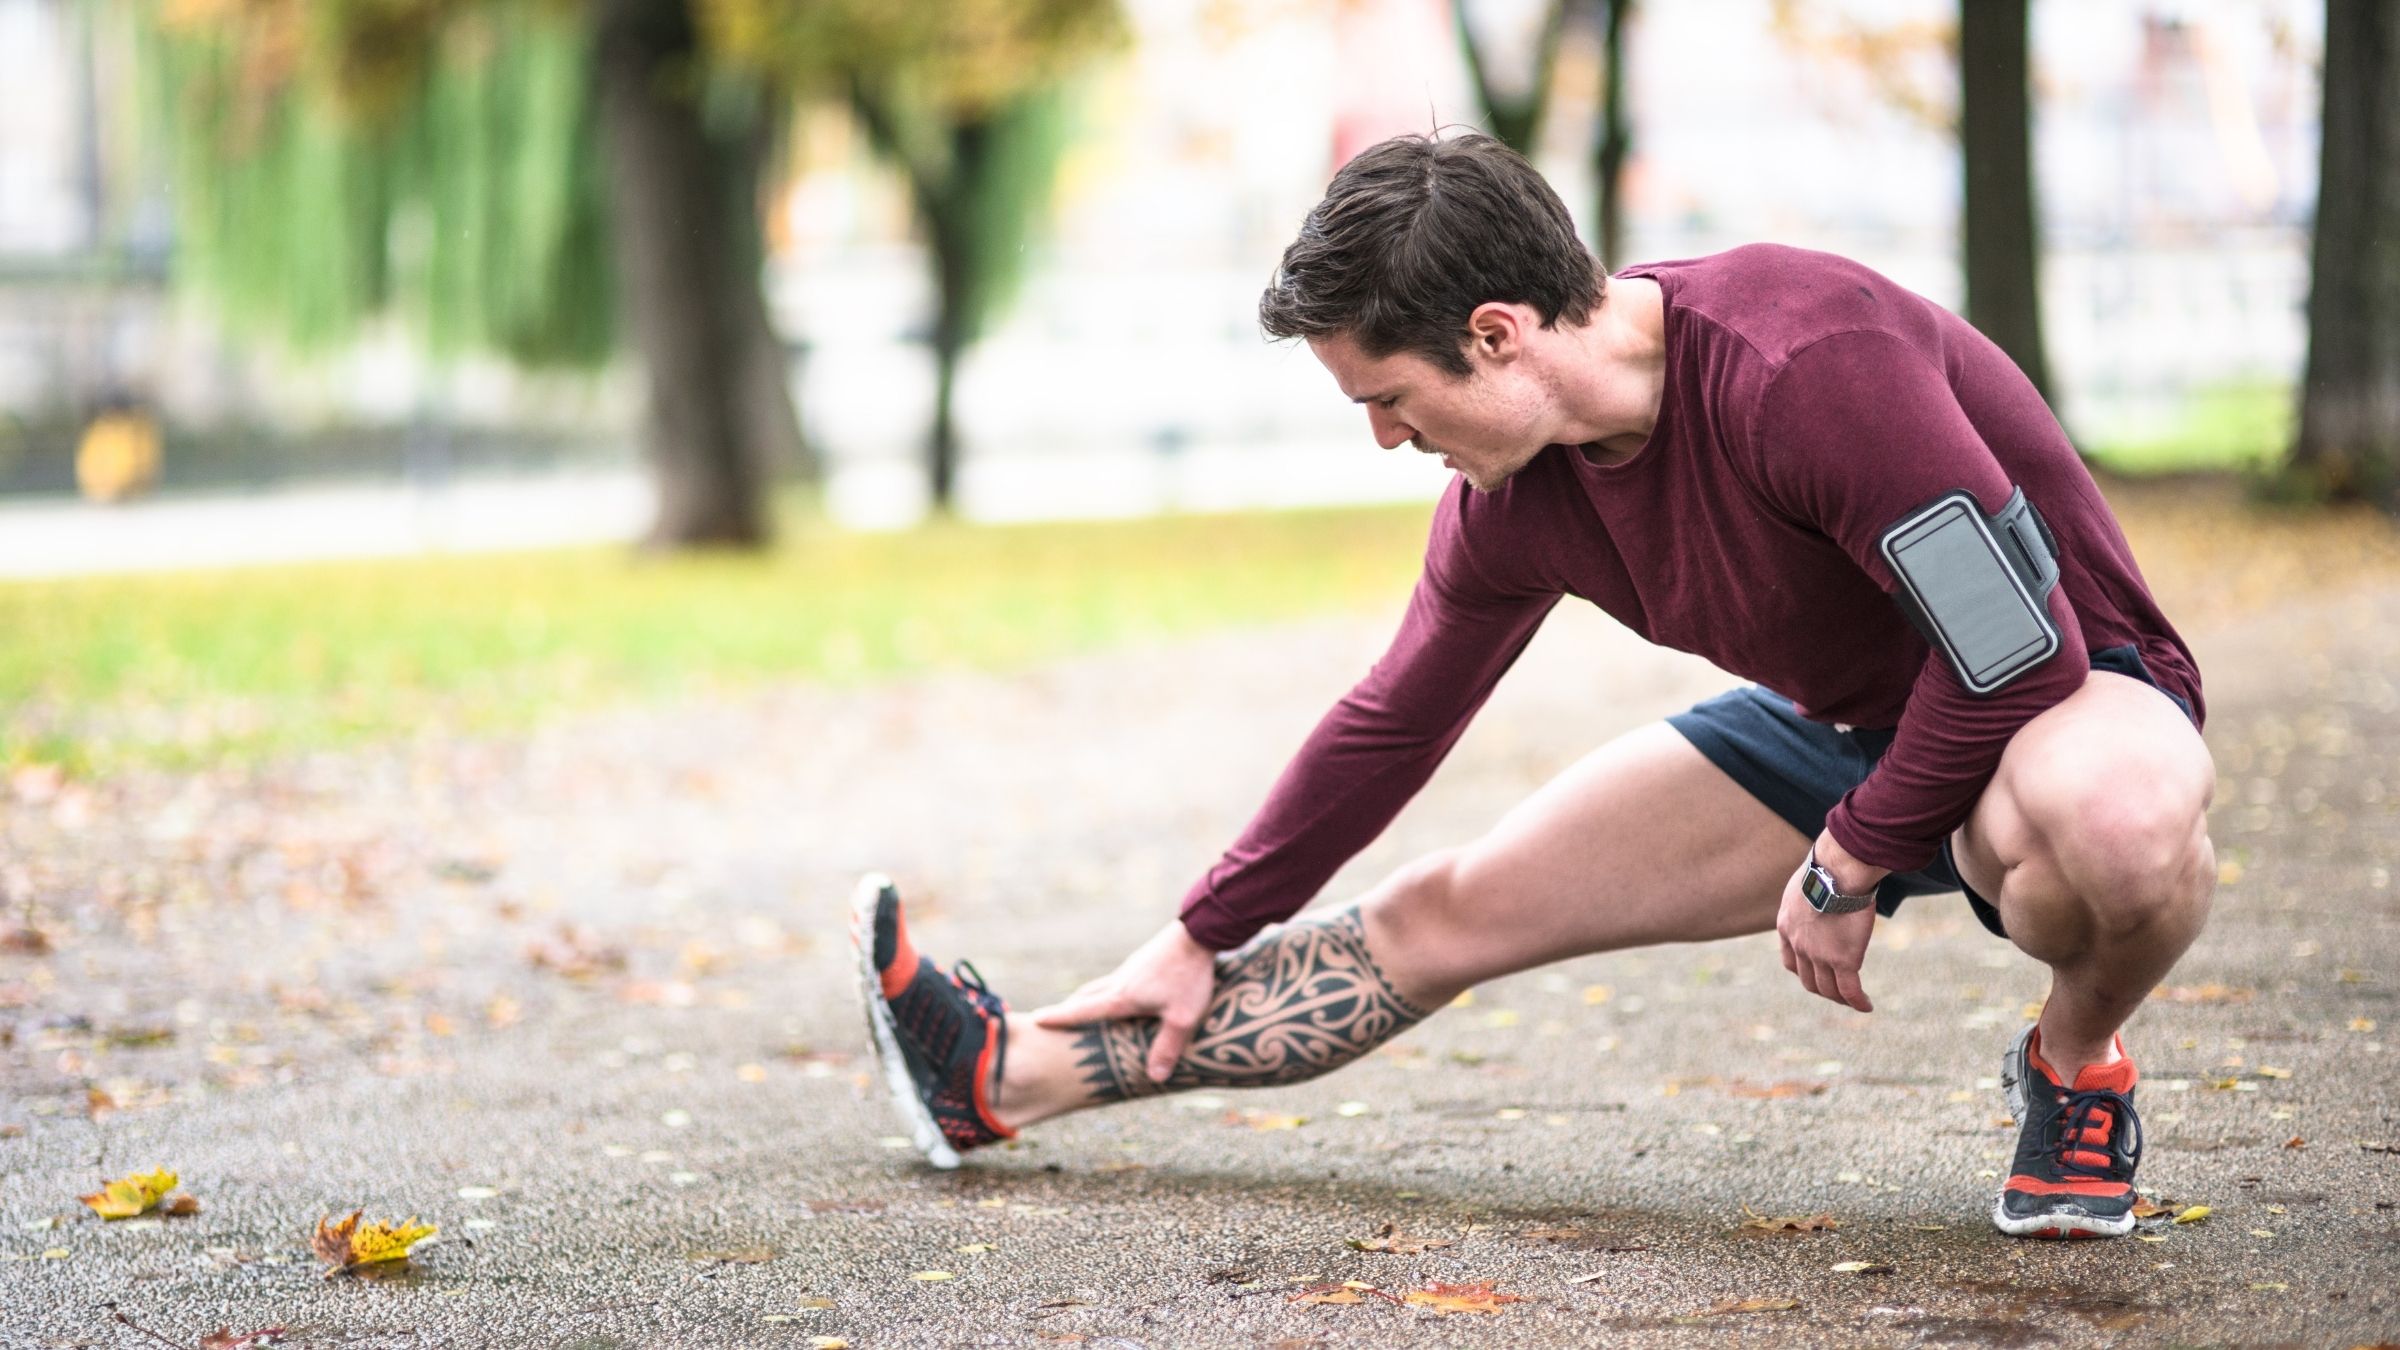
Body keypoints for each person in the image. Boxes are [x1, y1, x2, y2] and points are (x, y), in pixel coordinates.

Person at [849, 131, 2216, 1240]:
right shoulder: (1516, 499)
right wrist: (1207, 922)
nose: (1387, 438)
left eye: (1387, 397)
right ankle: (995, 1076)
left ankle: (2074, 1057)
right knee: (1445, 910)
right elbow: (1393, 719)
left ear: (1497, 334)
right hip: (1852, 730)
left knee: (2101, 831)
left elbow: (2012, 649)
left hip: (2065, 692)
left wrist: (1847, 860)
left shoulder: (1806, 367)